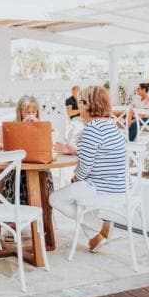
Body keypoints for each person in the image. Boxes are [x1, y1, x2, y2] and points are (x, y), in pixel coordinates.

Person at [51, 85, 127, 252]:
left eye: (80, 103)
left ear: (87, 105)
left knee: (55, 199)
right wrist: (74, 151)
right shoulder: (112, 127)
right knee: (77, 195)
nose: (78, 107)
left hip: (101, 189)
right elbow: (100, 154)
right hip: (120, 188)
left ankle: (98, 228)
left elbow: (84, 168)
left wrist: (75, 178)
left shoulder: (91, 130)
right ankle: (96, 235)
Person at [0, 96, 53, 205]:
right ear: (20, 112)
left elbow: (48, 147)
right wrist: (5, 145)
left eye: (34, 112)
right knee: (16, 174)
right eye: (28, 112)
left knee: (44, 173)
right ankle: (17, 209)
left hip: (38, 167)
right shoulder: (12, 126)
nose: (31, 115)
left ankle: (41, 207)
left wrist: (38, 126)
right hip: (16, 168)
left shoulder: (41, 126)